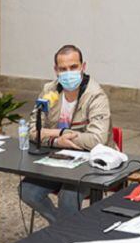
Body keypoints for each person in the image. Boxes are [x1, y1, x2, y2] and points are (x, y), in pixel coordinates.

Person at [19, 44, 113, 224]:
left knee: (68, 196)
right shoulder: (50, 90)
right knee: (27, 191)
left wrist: (53, 133)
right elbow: (32, 130)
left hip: (91, 162)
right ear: (56, 70)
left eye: (73, 67)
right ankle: (61, 227)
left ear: (83, 67)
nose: (68, 73)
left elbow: (97, 139)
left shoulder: (96, 95)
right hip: (58, 158)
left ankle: (65, 235)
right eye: (63, 69)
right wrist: (59, 138)